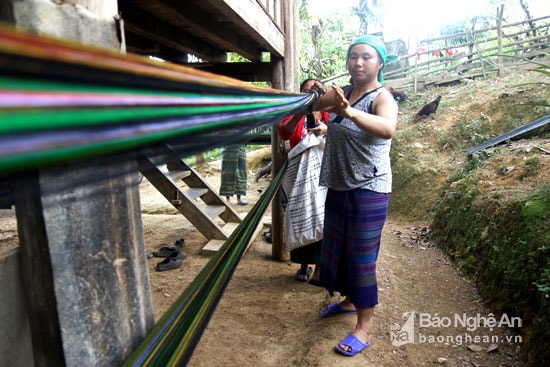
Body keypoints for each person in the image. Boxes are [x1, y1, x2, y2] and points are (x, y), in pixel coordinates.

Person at [307, 35, 399, 357]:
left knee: (361, 258)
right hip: (340, 183)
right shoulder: (341, 93)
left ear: (379, 63)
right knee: (338, 248)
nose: (358, 62)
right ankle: (348, 301)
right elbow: (311, 105)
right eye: (353, 56)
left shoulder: (382, 97)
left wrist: (349, 113)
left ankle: (364, 327)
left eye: (366, 57)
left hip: (370, 187)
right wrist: (308, 96)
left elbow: (387, 128)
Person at [278, 78, 330, 286]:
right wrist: (300, 113)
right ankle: (303, 264)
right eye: (306, 90)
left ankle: (319, 268)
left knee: (321, 216)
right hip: (299, 175)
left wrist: (324, 129)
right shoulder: (296, 113)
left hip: (322, 174)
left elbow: (340, 127)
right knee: (300, 214)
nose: (311, 93)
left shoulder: (328, 112)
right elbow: (284, 132)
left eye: (315, 90)